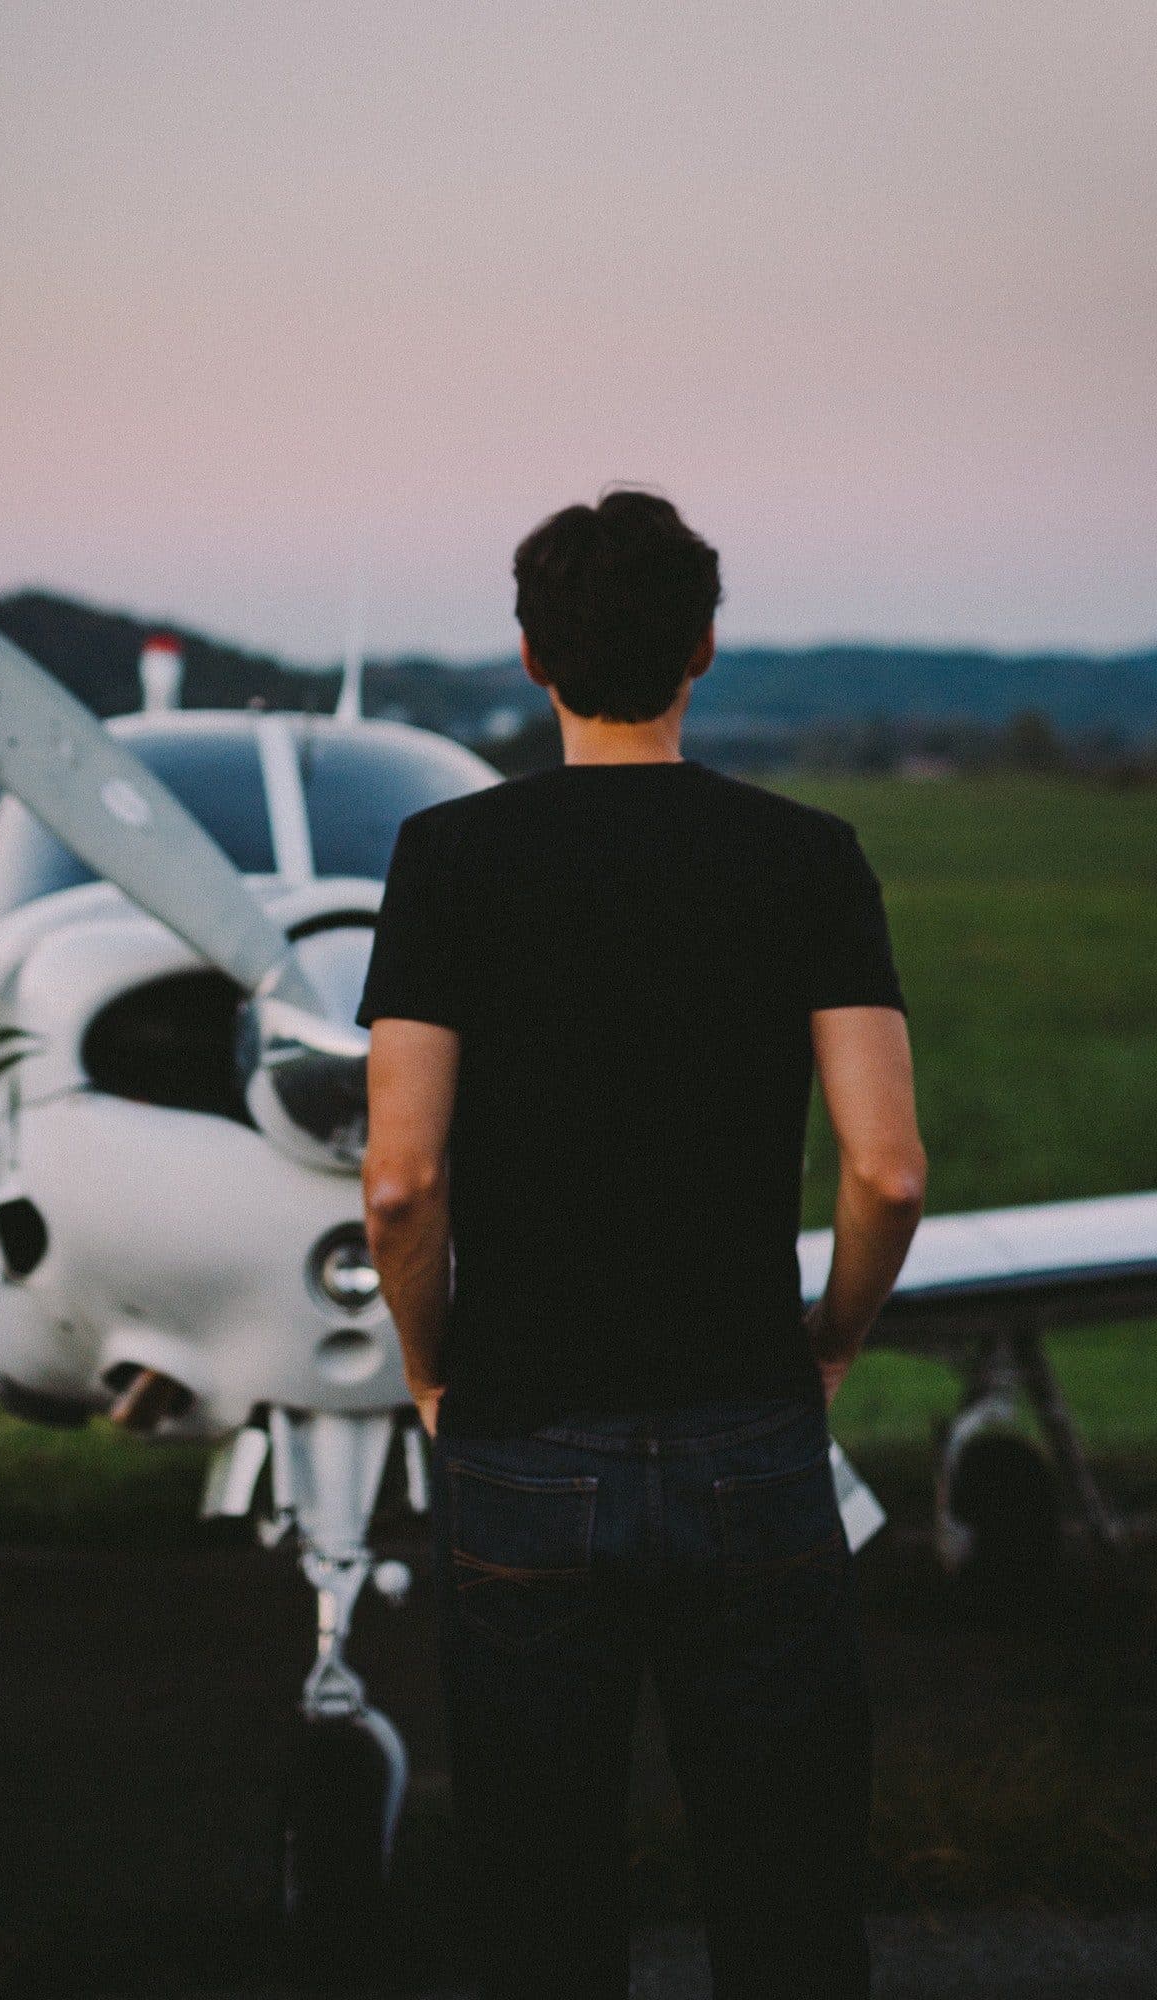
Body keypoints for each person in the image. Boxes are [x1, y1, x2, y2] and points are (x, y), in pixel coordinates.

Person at [357, 490, 925, 2000]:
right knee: (792, 1903)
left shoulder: (445, 858)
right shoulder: (811, 856)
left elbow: (400, 1182)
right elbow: (888, 1167)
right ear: (705, 647)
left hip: (526, 1440)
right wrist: (834, 1341)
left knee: (541, 1912)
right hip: (753, 1429)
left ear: (533, 656)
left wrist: (430, 1370)